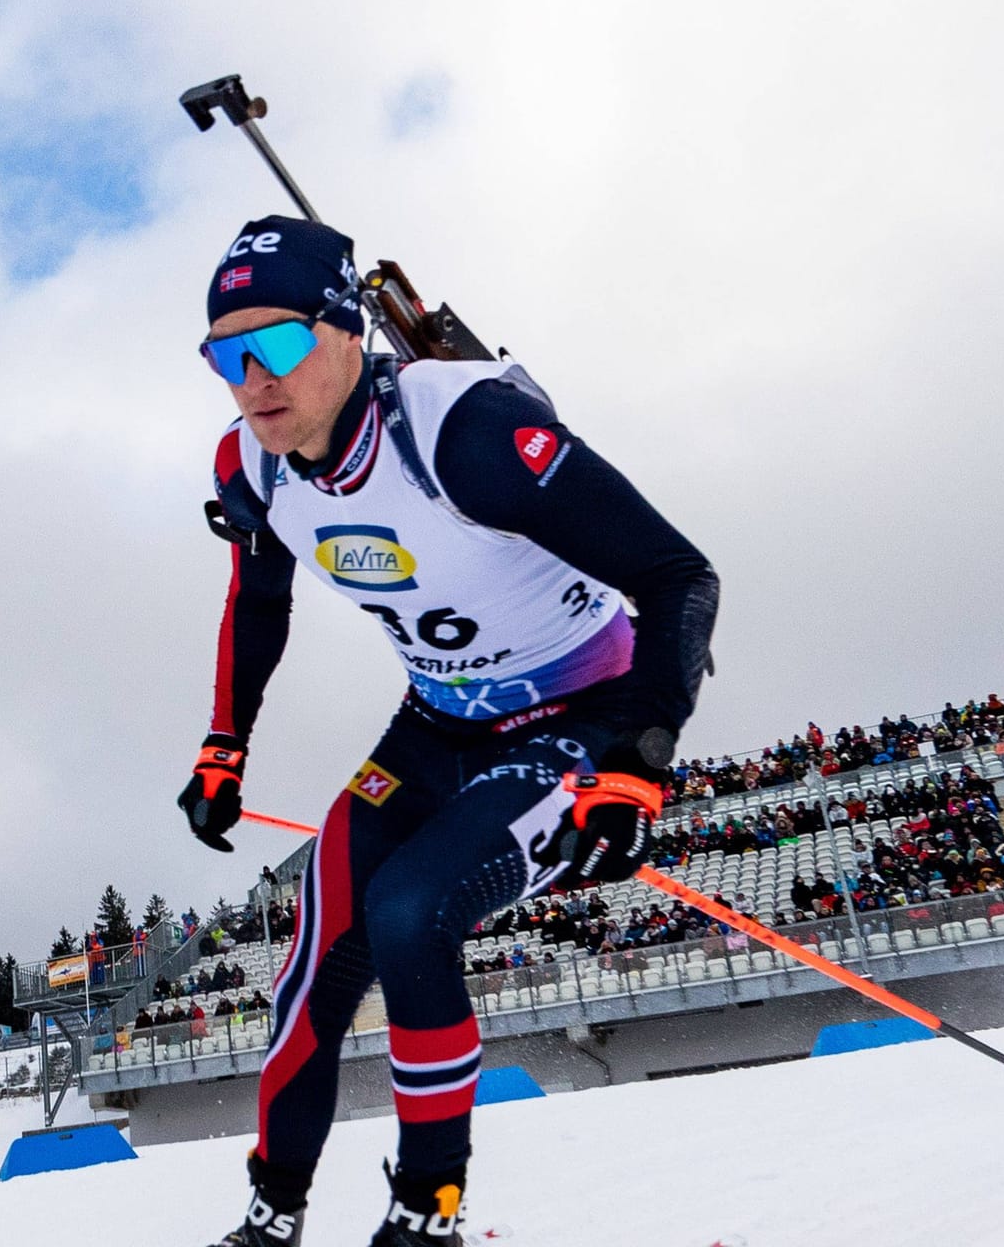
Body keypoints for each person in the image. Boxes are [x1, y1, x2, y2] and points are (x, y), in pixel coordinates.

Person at [174, 215, 718, 1246]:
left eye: (278, 343)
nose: (253, 379)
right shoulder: (254, 466)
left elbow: (679, 577)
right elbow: (258, 601)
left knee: (412, 908)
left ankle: (428, 1214)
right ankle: (269, 1216)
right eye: (225, 355)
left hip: (577, 715)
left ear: (346, 331)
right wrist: (223, 745)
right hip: (438, 719)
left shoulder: (461, 432)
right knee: (313, 960)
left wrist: (638, 766)